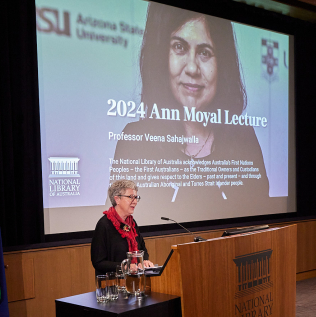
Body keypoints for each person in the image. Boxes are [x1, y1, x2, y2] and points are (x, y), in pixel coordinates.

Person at [113, 4, 271, 220]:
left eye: (205, 52)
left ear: (222, 64)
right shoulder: (134, 141)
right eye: (179, 47)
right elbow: (120, 224)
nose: (193, 68)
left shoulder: (244, 139)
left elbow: (260, 221)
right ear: (160, 56)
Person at [91, 180, 155, 275]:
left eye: (136, 197)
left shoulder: (131, 223)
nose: (135, 202)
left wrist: (144, 260)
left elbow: (142, 249)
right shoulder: (104, 225)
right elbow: (98, 262)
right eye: (130, 197)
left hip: (133, 280)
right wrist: (124, 266)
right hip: (112, 283)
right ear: (117, 199)